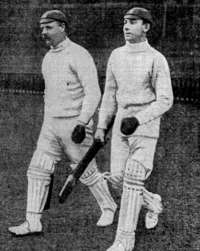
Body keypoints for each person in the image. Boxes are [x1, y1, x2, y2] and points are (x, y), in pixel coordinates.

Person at [8, 9, 117, 236]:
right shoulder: (48, 57)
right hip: (51, 126)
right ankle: (33, 222)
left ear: (62, 27)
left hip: (75, 126)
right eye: (41, 28)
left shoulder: (79, 54)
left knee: (87, 173)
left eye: (48, 27)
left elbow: (93, 92)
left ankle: (109, 206)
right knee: (37, 169)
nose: (43, 32)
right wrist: (48, 124)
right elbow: (51, 95)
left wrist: (82, 121)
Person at [95, 7, 173, 251]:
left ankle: (124, 241)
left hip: (145, 126)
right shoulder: (116, 55)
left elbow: (165, 99)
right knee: (118, 180)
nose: (126, 26)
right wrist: (101, 126)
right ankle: (152, 202)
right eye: (125, 22)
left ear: (146, 27)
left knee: (133, 177)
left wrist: (139, 119)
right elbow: (110, 93)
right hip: (120, 125)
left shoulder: (156, 58)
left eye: (133, 22)